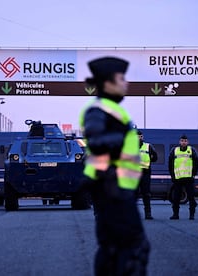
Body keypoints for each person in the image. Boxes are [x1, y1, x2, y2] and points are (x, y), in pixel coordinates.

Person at [79, 56, 150, 276]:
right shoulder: (99, 110)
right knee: (136, 247)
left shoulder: (111, 110)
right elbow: (97, 141)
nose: (126, 83)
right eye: (121, 78)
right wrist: (119, 138)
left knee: (112, 249)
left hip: (114, 187)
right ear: (107, 83)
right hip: (112, 188)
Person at [168, 134, 198, 220]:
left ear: (187, 142)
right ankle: (175, 214)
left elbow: (196, 162)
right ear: (179, 142)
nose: (183, 142)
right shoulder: (174, 150)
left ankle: (192, 215)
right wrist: (172, 176)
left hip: (189, 178)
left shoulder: (192, 150)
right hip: (178, 178)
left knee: (191, 197)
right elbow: (170, 164)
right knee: (176, 197)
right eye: (182, 141)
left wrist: (194, 174)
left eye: (185, 141)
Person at [137, 130, 158, 219]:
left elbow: (155, 157)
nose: (139, 138)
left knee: (146, 194)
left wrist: (150, 159)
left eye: (141, 136)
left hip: (145, 173)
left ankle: (148, 213)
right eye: (137, 137)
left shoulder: (148, 146)